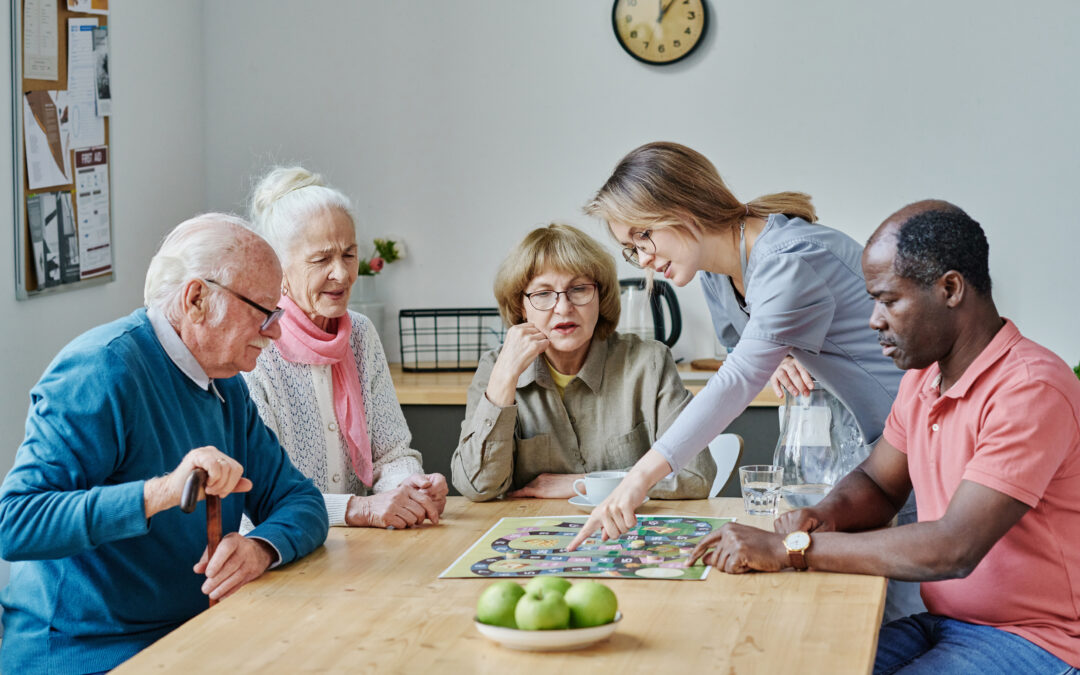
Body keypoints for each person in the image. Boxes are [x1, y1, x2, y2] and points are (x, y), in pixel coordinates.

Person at [687, 201, 1080, 674]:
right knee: (796, 663)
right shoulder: (924, 378)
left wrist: (792, 550)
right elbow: (878, 483)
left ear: (950, 288)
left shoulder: (1030, 388)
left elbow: (953, 548)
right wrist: (820, 517)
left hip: (1038, 640)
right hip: (945, 622)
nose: (874, 319)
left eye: (889, 300)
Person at [0, 215, 329, 674]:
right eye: (265, 312)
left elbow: (301, 500)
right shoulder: (100, 371)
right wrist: (163, 491)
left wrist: (261, 549)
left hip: (192, 636)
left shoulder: (225, 382)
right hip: (84, 652)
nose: (276, 331)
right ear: (197, 299)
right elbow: (16, 524)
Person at [244, 166, 447, 530]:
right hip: (280, 550)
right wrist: (359, 508)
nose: (341, 274)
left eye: (349, 254)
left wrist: (410, 488)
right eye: (321, 259)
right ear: (279, 267)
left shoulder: (360, 334)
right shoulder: (255, 350)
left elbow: (393, 452)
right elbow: (261, 494)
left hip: (357, 551)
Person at [451, 223, 716, 500]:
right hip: (535, 535)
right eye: (543, 294)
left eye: (578, 289)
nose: (564, 308)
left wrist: (586, 483)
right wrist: (504, 380)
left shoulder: (649, 363)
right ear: (521, 306)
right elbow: (477, 487)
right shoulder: (495, 369)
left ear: (600, 296)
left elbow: (696, 474)